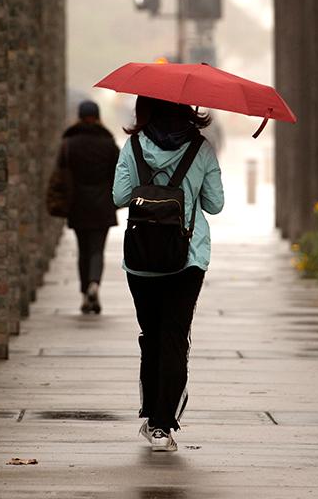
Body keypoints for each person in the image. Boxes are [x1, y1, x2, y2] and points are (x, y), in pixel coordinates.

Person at [112, 96, 224, 452]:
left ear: (145, 109)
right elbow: (215, 204)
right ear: (188, 109)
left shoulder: (133, 145)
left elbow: (118, 196)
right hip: (186, 257)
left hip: (142, 257)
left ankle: (150, 413)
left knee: (151, 334)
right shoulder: (200, 149)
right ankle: (163, 425)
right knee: (176, 336)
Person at [58, 100, 120, 314]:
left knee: (82, 250)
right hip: (102, 203)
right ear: (98, 116)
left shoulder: (69, 143)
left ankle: (85, 293)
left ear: (79, 116)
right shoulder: (108, 142)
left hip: (77, 203)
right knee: (97, 250)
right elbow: (119, 173)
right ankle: (94, 283)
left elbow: (60, 172)